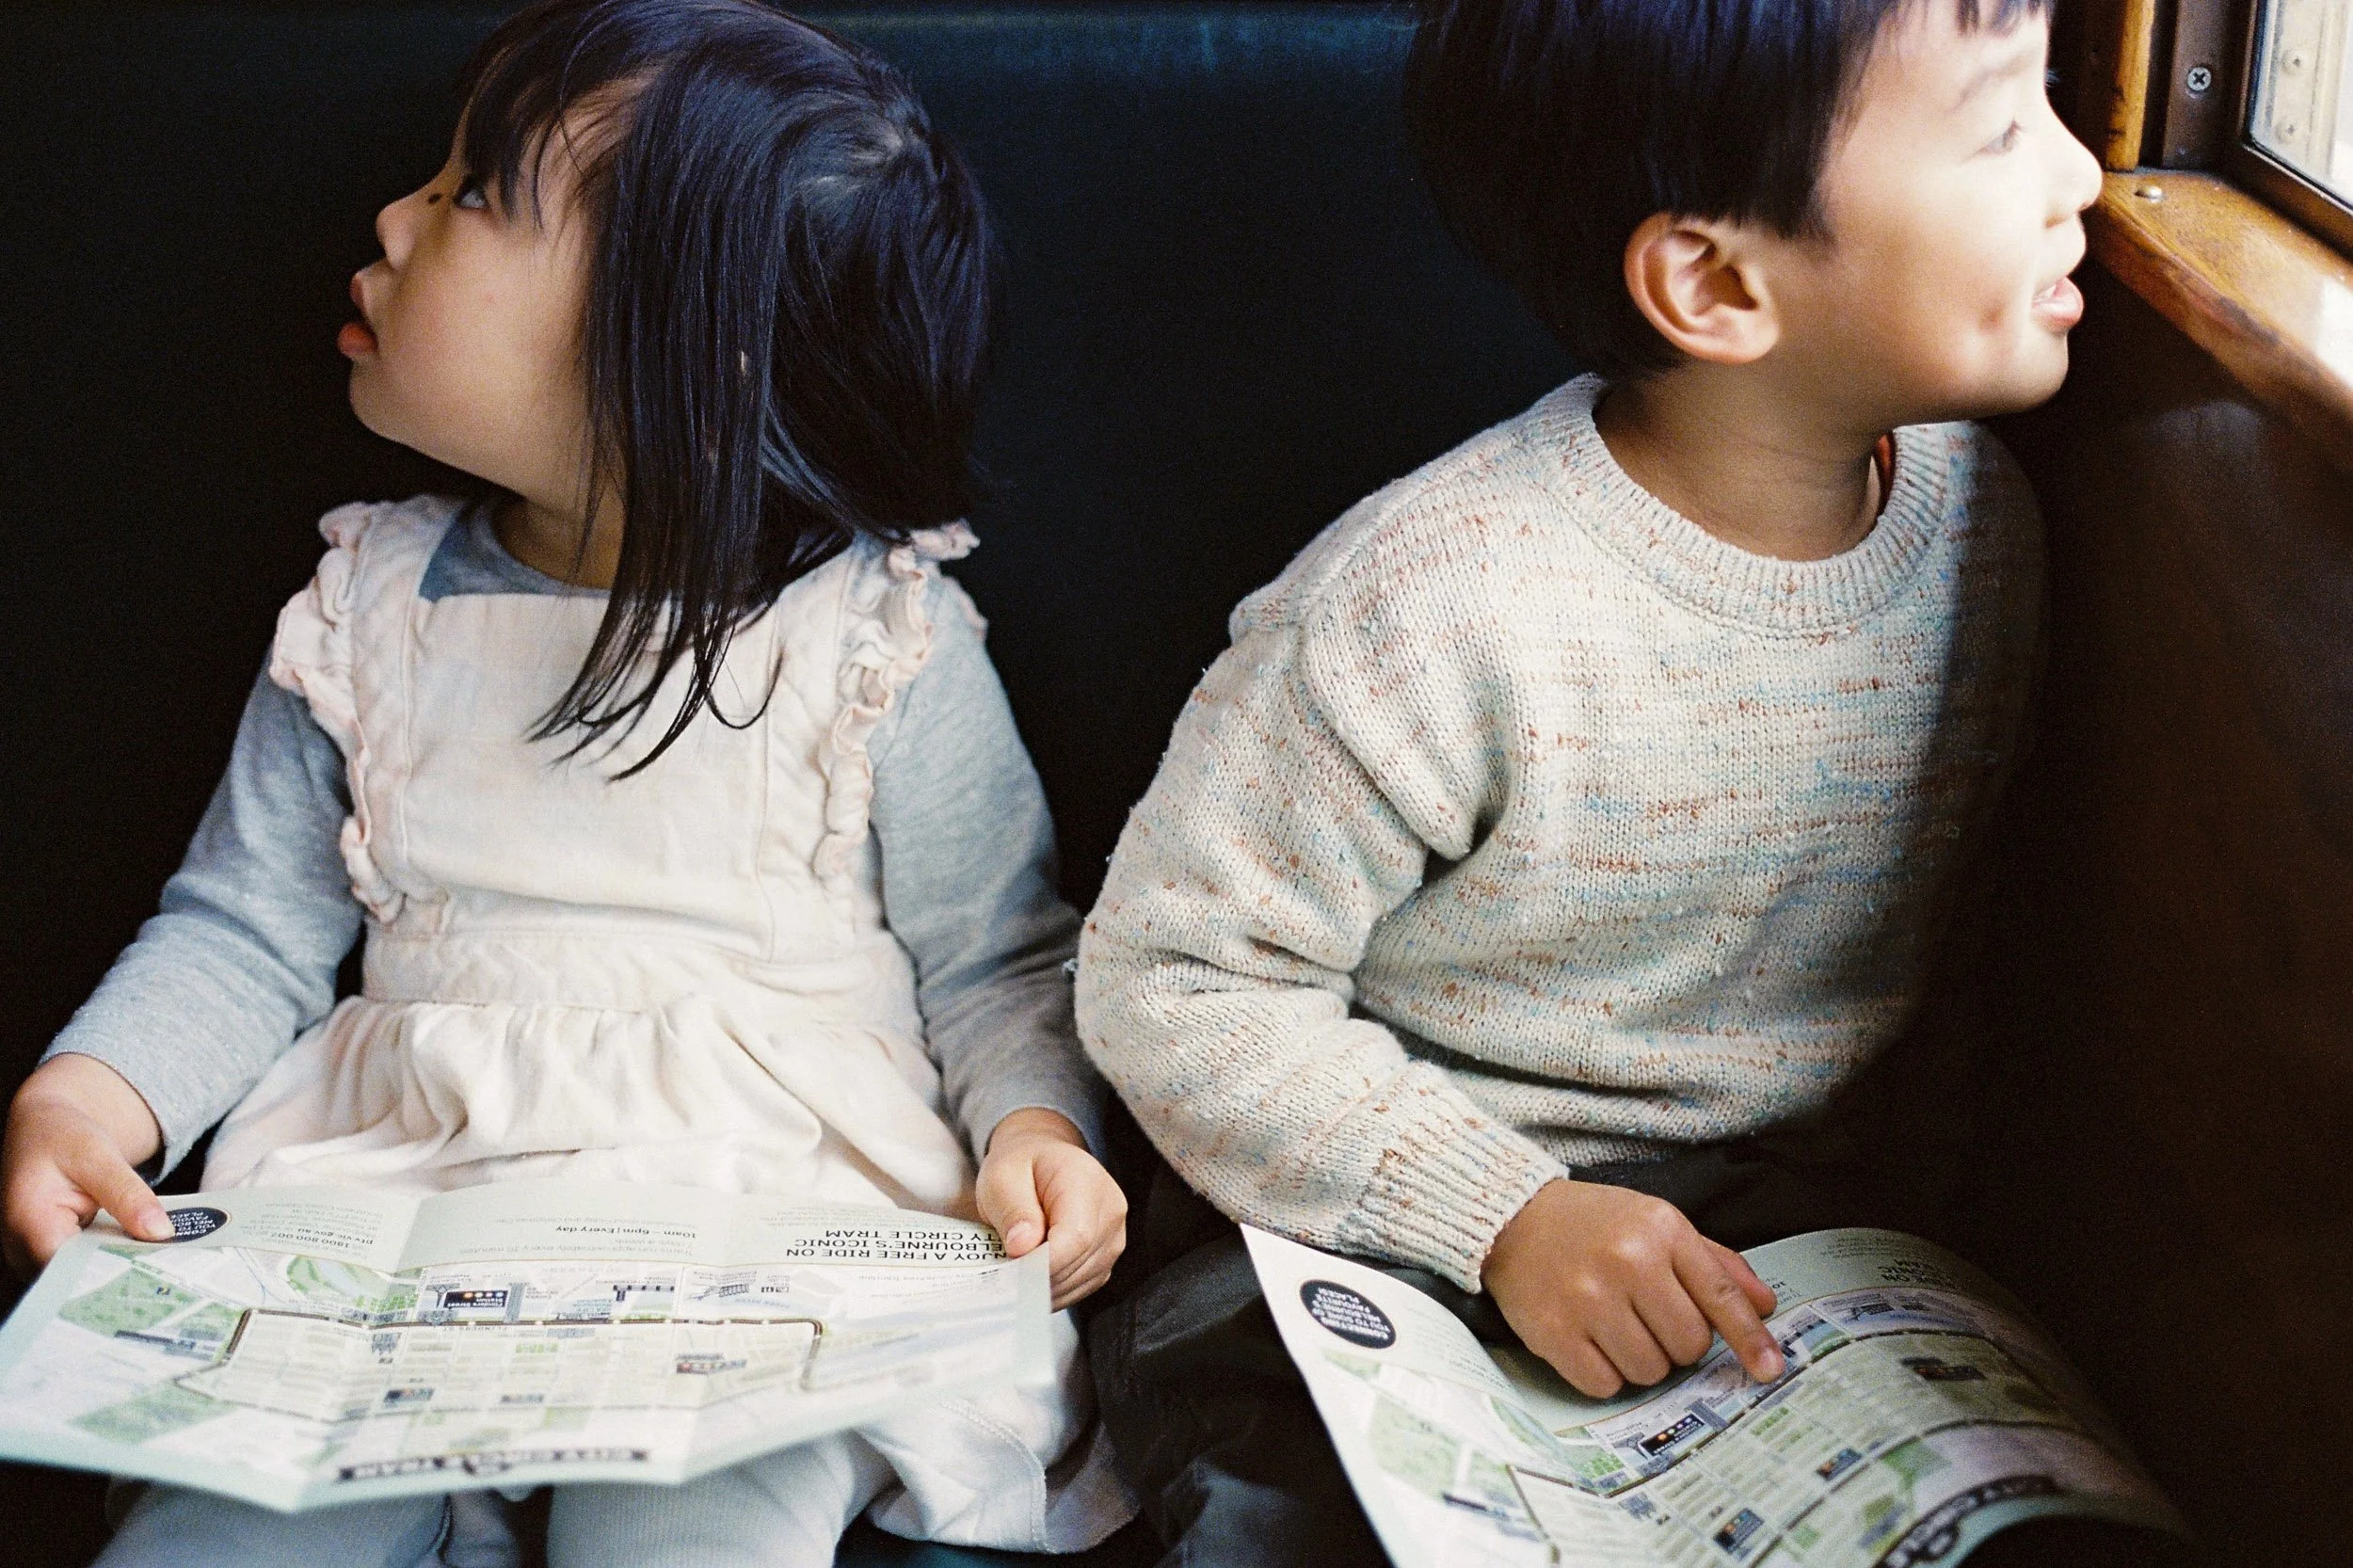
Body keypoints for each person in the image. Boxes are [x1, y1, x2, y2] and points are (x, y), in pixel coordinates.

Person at [0, 2, 1132, 1563]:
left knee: (691, 1521)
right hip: (398, 1205)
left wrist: (1039, 1129)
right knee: (220, 1524)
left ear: (684, 353)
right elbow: (242, 932)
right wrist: (86, 1094)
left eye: (472, 193)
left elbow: (997, 955)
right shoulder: (362, 611)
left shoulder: (874, 634)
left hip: (759, 1222)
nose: (392, 219)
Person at [1076, 0, 2120, 1561]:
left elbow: (1939, 983)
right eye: (2001, 127)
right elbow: (1171, 978)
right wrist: (1506, 1215)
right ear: (1715, 284)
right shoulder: (1430, 604)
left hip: (1760, 1241)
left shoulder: (1990, 530)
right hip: (1366, 1217)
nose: (2082, 176)